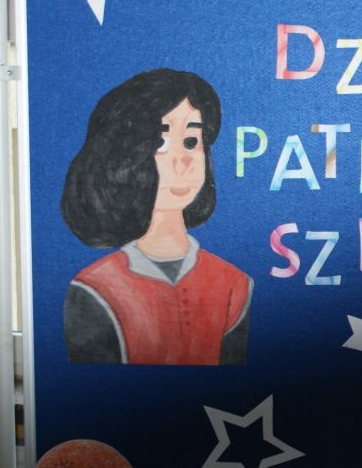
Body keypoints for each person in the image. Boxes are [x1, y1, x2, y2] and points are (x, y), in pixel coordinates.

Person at [61, 68, 251, 365]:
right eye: (161, 143)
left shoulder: (234, 285)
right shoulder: (95, 289)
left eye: (191, 141)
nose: (182, 160)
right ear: (123, 157)